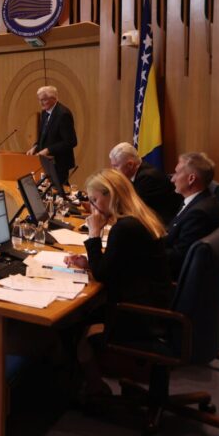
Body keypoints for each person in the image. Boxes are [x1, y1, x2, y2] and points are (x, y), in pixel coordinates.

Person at [65, 169, 170, 396]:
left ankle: (96, 391)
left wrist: (94, 234)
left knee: (75, 323)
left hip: (138, 315)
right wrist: (89, 263)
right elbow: (120, 265)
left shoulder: (124, 228)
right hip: (156, 303)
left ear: (110, 194)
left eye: (94, 199)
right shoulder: (141, 217)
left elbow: (104, 274)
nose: (93, 206)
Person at [164, 152, 219, 276]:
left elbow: (178, 258)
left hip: (169, 278)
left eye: (177, 173)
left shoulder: (198, 214)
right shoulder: (196, 200)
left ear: (191, 179)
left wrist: (144, 251)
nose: (172, 178)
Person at [108, 142, 182, 225]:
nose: (113, 170)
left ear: (130, 165)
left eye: (116, 166)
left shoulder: (148, 178)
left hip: (163, 227)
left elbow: (134, 209)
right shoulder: (134, 175)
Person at [26, 85, 77, 185]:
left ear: (53, 99)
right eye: (39, 100)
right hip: (47, 162)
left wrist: (48, 150)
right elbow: (43, 136)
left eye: (43, 100)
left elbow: (71, 141)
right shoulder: (44, 112)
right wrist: (35, 147)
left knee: (59, 191)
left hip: (59, 162)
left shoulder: (63, 114)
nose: (40, 103)